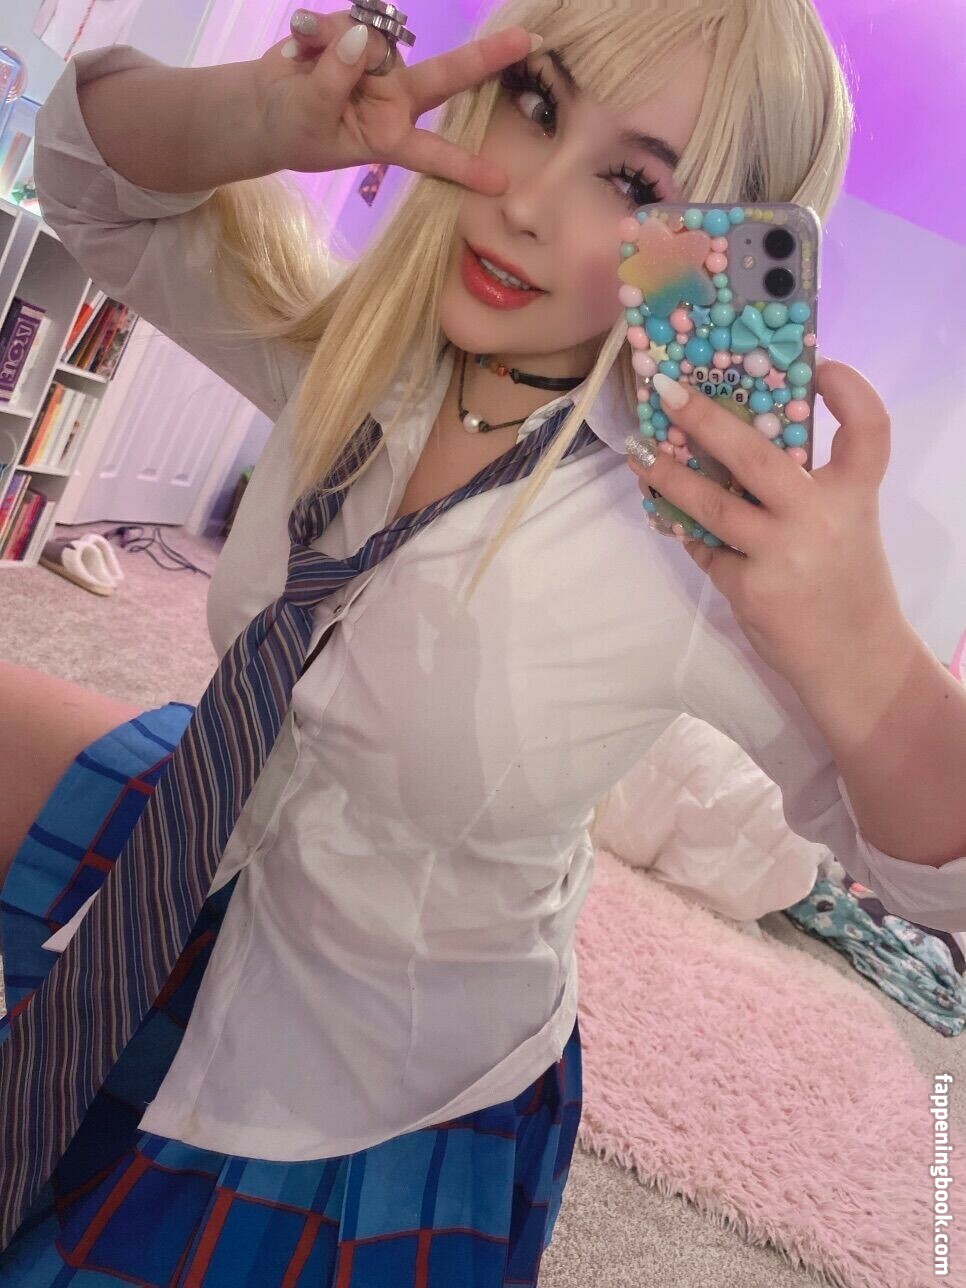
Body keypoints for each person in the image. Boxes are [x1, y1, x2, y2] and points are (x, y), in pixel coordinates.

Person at [1, 1, 965, 1282]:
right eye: (537, 105)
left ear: (721, 248)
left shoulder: (693, 553)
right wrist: (253, 117)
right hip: (219, 827)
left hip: (368, 1086)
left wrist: (873, 657)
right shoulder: (365, 358)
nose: (524, 201)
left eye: (634, 183)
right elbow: (86, 185)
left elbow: (941, 883)